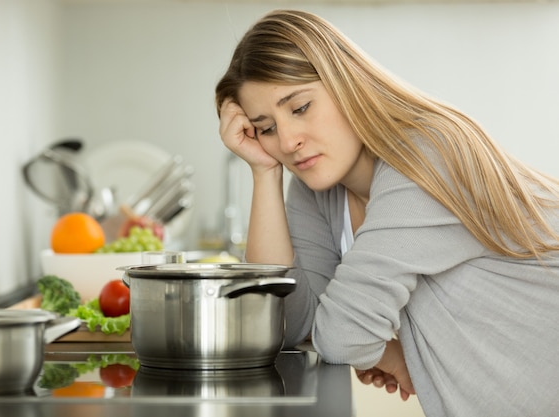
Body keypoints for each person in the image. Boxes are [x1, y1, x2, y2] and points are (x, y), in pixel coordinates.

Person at [215, 9, 559, 417]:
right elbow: (287, 325)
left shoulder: (426, 156)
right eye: (266, 128)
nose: (288, 141)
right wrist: (264, 173)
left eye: (301, 107)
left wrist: (384, 350)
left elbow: (342, 336)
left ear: (345, 84)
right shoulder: (318, 189)